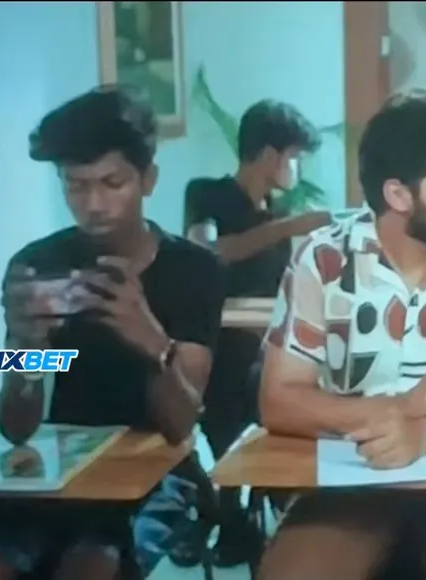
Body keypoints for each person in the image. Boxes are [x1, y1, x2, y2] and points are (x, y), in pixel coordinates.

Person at [254, 92, 426, 580]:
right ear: (399, 196)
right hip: (350, 477)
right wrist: (403, 407)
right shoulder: (323, 259)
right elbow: (278, 400)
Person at [0, 86, 223, 580]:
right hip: (56, 463)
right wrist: (26, 347)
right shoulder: (38, 263)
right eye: (75, 186)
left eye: (112, 183)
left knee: (93, 564)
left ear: (147, 180)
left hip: (158, 470)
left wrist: (151, 341)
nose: (93, 204)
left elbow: (180, 424)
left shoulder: (192, 271)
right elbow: (16, 426)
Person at [172, 99, 330, 568]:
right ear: (270, 155)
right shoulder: (207, 195)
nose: (297, 168)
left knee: (291, 379)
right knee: (242, 382)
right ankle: (231, 509)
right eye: (294, 156)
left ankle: (254, 511)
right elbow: (207, 252)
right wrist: (289, 227)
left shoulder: (276, 213)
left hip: (265, 344)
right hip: (219, 345)